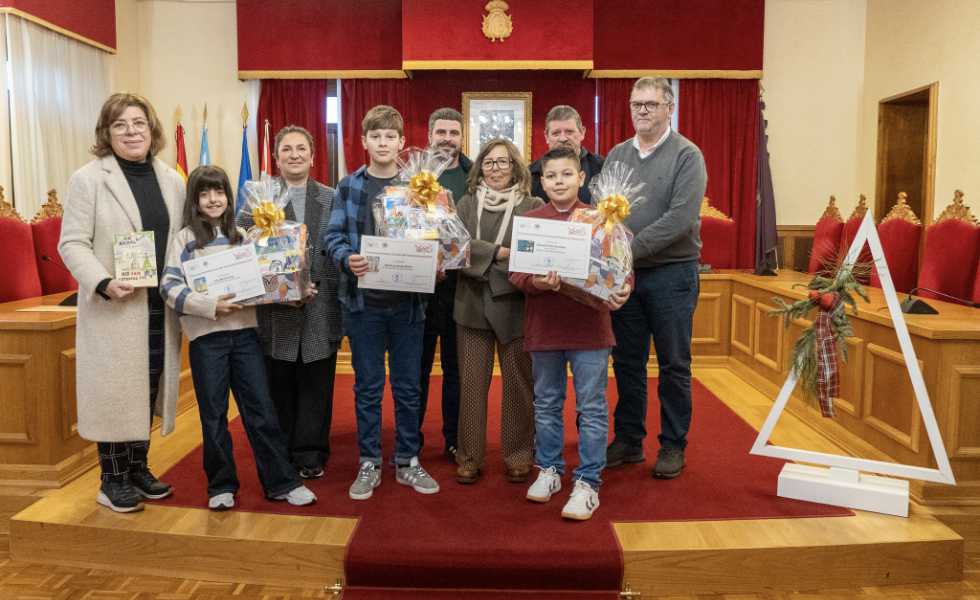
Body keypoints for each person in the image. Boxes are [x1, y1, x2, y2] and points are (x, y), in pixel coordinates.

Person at [160, 165, 316, 510]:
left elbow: (269, 281)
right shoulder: (185, 239)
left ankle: (282, 481)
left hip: (246, 336)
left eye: (219, 192)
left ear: (229, 198)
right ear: (194, 200)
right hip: (207, 340)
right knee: (213, 415)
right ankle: (221, 485)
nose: (213, 199)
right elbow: (169, 287)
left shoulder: (245, 237)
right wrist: (209, 305)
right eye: (204, 193)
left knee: (261, 410)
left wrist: (296, 287)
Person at [59, 93, 185, 513]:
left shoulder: (172, 179)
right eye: (120, 125)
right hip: (114, 304)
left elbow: (182, 241)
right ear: (106, 133)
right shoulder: (89, 179)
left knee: (145, 387)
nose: (131, 132)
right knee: (116, 391)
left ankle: (137, 468)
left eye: (138, 123)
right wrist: (103, 281)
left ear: (152, 130)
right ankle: (111, 479)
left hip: (157, 303)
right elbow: (72, 243)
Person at [509, 147, 631, 520]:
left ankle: (588, 480)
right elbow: (516, 275)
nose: (558, 181)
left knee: (591, 407)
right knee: (546, 403)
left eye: (566, 174)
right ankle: (549, 469)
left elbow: (620, 269)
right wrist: (538, 282)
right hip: (544, 329)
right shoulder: (530, 221)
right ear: (540, 181)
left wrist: (623, 287)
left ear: (581, 178)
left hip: (591, 331)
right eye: (551, 176)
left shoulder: (602, 219)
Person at [325, 105, 440, 500]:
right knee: (368, 388)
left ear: (402, 142)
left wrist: (435, 258)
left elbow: (436, 239)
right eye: (375, 136)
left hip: (408, 307)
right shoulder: (349, 186)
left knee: (409, 388)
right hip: (363, 307)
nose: (383, 143)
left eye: (390, 136)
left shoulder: (419, 187)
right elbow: (332, 236)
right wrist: (347, 257)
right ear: (364, 142)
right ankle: (369, 461)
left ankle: (408, 460)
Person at [604, 77, 707, 479]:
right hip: (624, 277)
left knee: (673, 364)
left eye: (650, 104)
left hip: (672, 275)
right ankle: (629, 440)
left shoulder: (687, 155)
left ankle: (672, 445)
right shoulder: (616, 155)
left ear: (669, 107)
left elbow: (681, 220)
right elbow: (604, 213)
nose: (641, 111)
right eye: (636, 104)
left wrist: (627, 249)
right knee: (626, 361)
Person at [239, 125, 341, 480]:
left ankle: (311, 452)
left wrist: (311, 285)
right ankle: (280, 450)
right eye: (287, 149)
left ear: (313, 156)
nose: (294, 154)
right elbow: (242, 248)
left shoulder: (332, 197)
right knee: (278, 384)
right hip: (275, 311)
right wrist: (278, 287)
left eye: (301, 148)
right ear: (276, 157)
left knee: (317, 384)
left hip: (321, 307)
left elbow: (341, 245)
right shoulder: (257, 200)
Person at [453, 138, 543, 485]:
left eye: (503, 163)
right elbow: (455, 248)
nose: (496, 170)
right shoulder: (464, 204)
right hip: (471, 306)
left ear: (516, 167)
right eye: (489, 163)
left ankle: (518, 455)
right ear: (479, 168)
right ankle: (469, 456)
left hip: (516, 306)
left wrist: (483, 256)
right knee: (471, 386)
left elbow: (532, 251)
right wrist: (501, 254)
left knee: (519, 386)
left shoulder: (532, 205)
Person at [418, 107, 472, 460]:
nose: (448, 139)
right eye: (442, 132)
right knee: (415, 369)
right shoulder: (413, 174)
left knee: (456, 369)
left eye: (454, 133)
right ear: (430, 134)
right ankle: (411, 440)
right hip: (418, 288)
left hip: (460, 287)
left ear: (461, 136)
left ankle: (455, 439)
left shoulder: (474, 175)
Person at [529, 105, 604, 204]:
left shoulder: (602, 168)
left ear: (582, 132)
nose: (563, 139)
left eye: (569, 132)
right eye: (556, 133)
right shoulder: (530, 174)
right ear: (546, 136)